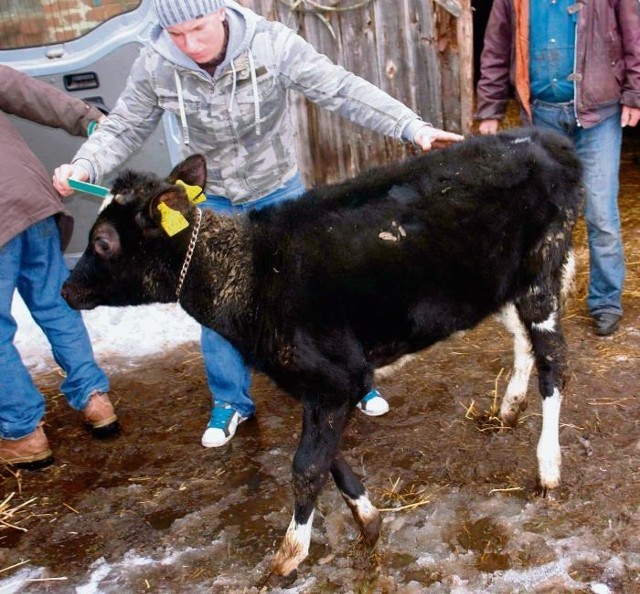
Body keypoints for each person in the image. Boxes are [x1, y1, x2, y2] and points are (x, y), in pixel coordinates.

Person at [53, 0, 463, 448]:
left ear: (220, 13)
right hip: (211, 202)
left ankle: (356, 380)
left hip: (278, 191)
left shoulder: (270, 44)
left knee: (317, 295)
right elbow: (125, 125)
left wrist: (410, 126)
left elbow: (340, 90)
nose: (190, 45)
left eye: (197, 29)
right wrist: (87, 165)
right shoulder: (155, 65)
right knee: (213, 303)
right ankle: (231, 401)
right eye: (176, 36)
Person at [475, 0, 640, 337]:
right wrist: (490, 108)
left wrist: (634, 93)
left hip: (599, 115)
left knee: (601, 213)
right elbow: (496, 46)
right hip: (542, 115)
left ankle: (606, 301)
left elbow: (634, 34)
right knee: (543, 216)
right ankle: (543, 299)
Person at [0, 65, 119, 469]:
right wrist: (89, 119)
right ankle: (95, 401)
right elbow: (27, 91)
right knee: (55, 304)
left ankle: (22, 433)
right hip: (31, 202)